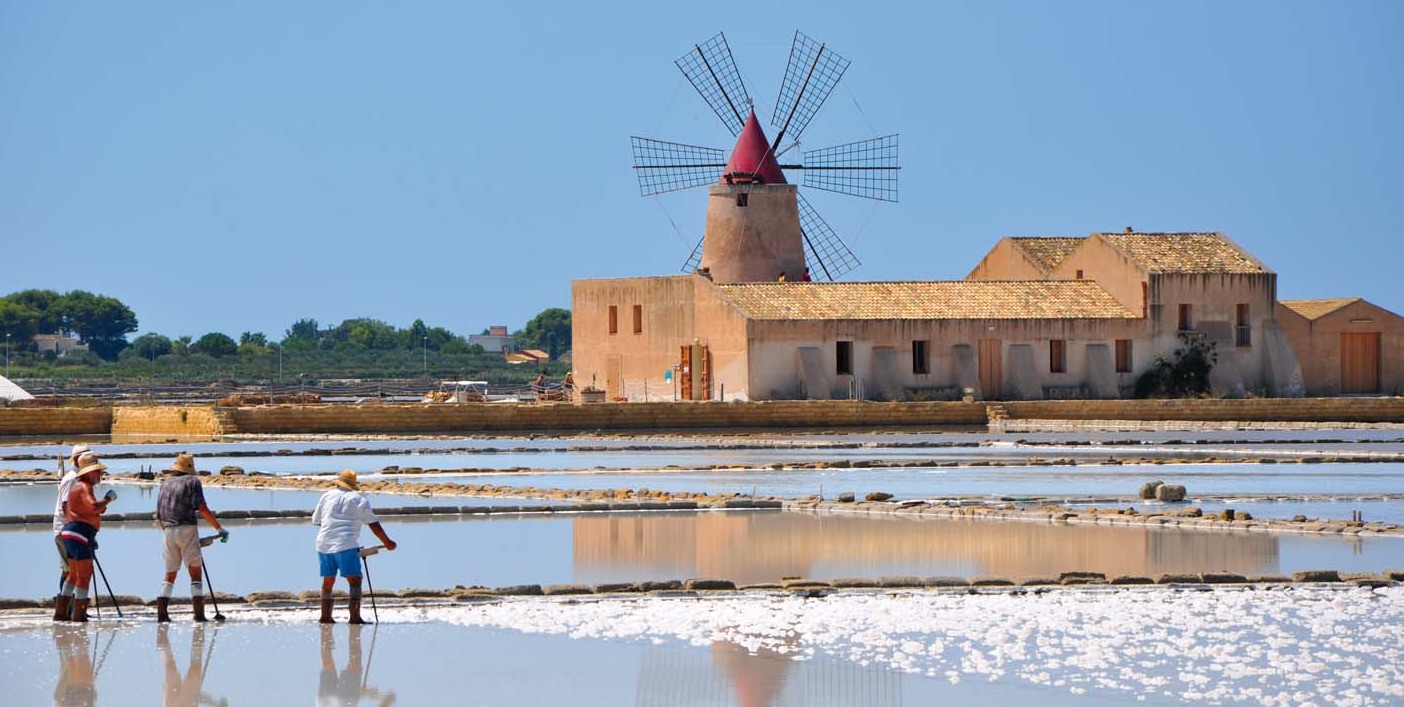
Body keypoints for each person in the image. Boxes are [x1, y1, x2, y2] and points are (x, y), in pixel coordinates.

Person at [312, 470, 397, 624]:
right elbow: (374, 525)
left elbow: (317, 520)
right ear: (353, 484)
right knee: (355, 580)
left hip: (323, 543)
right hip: (346, 544)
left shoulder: (326, 496)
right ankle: (355, 618)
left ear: (338, 482)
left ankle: (325, 617)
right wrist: (388, 542)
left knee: (328, 581)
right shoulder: (359, 500)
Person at [155, 453, 228, 623]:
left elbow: (159, 513)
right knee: (195, 571)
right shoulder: (192, 482)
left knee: (170, 573)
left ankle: (162, 614)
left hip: (167, 530)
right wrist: (219, 528)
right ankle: (199, 614)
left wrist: (167, 529)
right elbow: (202, 508)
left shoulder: (165, 483)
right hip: (186, 527)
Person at [57, 459, 115, 622]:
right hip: (79, 534)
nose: (101, 475)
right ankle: (79, 616)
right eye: (98, 472)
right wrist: (109, 498)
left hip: (71, 533)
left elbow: (89, 509)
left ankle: (61, 613)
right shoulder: (84, 486)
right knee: (84, 575)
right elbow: (95, 507)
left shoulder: (77, 487)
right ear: (89, 473)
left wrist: (100, 507)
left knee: (73, 575)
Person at [52, 444, 92, 619]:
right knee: (70, 571)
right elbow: (67, 507)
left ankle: (72, 608)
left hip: (77, 530)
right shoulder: (72, 479)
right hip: (66, 530)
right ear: (77, 459)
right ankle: (67, 610)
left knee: (74, 571)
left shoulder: (81, 478)